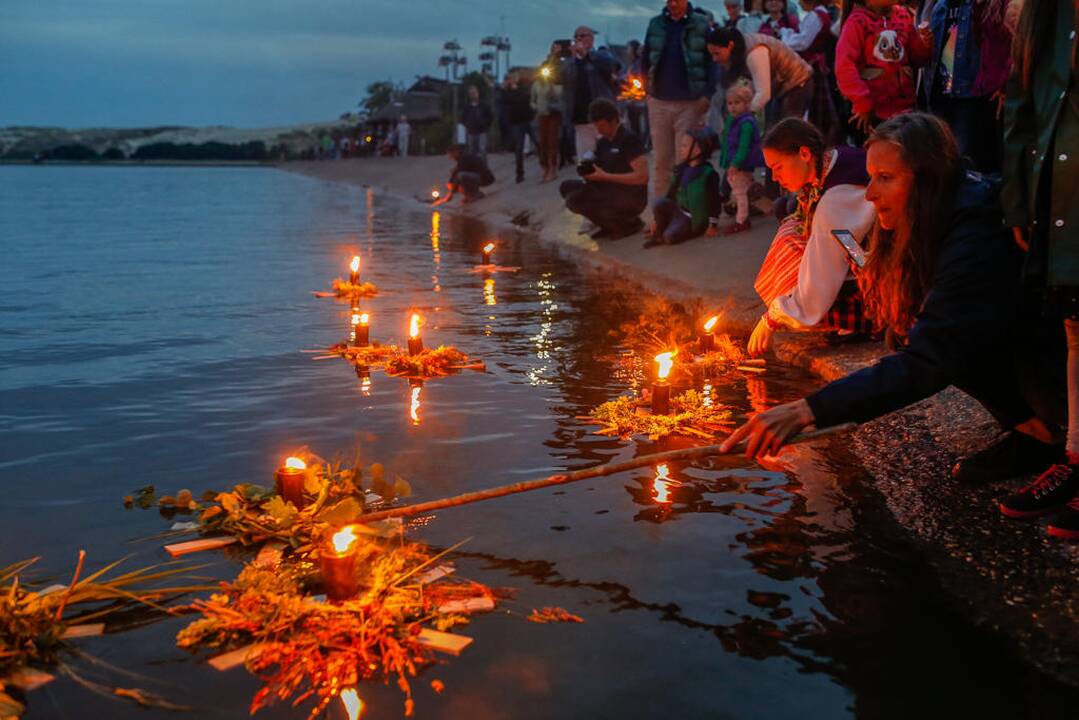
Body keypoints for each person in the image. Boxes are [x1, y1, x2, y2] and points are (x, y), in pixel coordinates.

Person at [721, 113, 1064, 494]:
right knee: (903, 329)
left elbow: (929, 358)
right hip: (1014, 333)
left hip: (1056, 358)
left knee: (926, 339)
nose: (868, 194)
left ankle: (1048, 430)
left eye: (884, 178)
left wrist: (808, 409)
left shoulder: (975, 234)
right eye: (870, 177)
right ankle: (1031, 428)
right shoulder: (938, 205)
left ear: (926, 178)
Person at [998, 0, 1079, 538]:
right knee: (1075, 326)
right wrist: (1020, 198)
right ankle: (1076, 460)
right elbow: (1022, 102)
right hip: (1062, 193)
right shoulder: (1045, 14)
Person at [748, 117, 875, 356]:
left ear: (804, 154)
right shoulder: (829, 163)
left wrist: (773, 317)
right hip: (863, 253)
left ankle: (866, 316)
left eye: (778, 167)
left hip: (882, 270)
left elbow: (825, 267)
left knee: (805, 253)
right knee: (793, 233)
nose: (775, 178)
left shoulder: (836, 198)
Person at [707, 26, 813, 198]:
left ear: (730, 46)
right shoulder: (739, 54)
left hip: (797, 84)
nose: (714, 59)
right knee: (773, 138)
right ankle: (773, 193)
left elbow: (763, 94)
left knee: (781, 140)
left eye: (717, 53)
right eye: (711, 54)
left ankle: (784, 193)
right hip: (781, 89)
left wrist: (743, 115)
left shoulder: (754, 53)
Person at [921, 0, 1013, 173]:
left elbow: (998, 46)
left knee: (966, 159)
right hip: (938, 93)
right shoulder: (940, 6)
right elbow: (930, 53)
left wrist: (1002, 82)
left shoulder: (979, 7)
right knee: (939, 158)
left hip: (969, 95)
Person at [641, 0, 715, 199]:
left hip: (690, 102)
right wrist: (647, 90)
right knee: (661, 160)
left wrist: (707, 94)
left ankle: (684, 210)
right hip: (659, 101)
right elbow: (646, 57)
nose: (672, 3)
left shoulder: (701, 24)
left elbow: (711, 61)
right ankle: (660, 213)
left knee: (686, 158)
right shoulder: (656, 24)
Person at [835, 0, 934, 142]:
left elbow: (917, 58)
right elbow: (844, 66)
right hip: (873, 114)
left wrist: (925, 44)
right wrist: (862, 101)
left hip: (905, 110)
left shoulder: (903, 16)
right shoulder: (857, 22)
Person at [559, 98, 649, 240]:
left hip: (629, 194)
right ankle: (607, 225)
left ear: (613, 120)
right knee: (567, 188)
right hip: (608, 189)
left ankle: (627, 224)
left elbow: (642, 177)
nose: (598, 130)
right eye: (596, 127)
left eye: (601, 126)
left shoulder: (628, 139)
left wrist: (605, 176)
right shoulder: (603, 142)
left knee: (575, 200)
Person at [645, 126, 723, 247]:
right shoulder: (682, 170)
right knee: (658, 202)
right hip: (679, 211)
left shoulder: (708, 174)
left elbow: (715, 202)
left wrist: (712, 225)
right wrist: (657, 220)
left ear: (698, 150)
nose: (680, 149)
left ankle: (678, 231)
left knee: (670, 237)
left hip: (693, 219)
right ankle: (660, 231)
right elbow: (670, 195)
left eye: (685, 146)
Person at [780, 0, 842, 144]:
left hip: (813, 67)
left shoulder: (816, 15)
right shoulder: (816, 14)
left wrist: (785, 34)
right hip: (813, 65)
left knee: (813, 108)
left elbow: (803, 42)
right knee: (812, 108)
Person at [561, 26, 618, 160]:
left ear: (591, 38)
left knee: (609, 160)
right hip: (581, 120)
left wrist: (587, 54)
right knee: (586, 162)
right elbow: (557, 77)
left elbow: (612, 65)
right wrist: (555, 57)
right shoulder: (571, 62)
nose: (578, 39)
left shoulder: (601, 55)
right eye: (576, 37)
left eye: (582, 36)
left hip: (602, 117)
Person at [718, 84, 765, 234]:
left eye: (737, 103)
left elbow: (743, 147)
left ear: (746, 103)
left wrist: (735, 163)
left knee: (740, 193)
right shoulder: (734, 120)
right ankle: (753, 209)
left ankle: (742, 220)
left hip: (740, 164)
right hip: (735, 162)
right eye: (730, 103)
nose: (732, 107)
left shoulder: (745, 123)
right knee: (741, 190)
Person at [532, 62, 564, 183]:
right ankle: (545, 167)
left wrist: (550, 84)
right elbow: (532, 100)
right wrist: (536, 107)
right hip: (542, 115)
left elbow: (558, 96)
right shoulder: (536, 85)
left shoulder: (557, 84)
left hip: (553, 115)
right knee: (542, 142)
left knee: (552, 142)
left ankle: (552, 168)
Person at [503, 72, 538, 183]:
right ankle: (519, 173)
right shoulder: (507, 92)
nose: (513, 79)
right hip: (517, 122)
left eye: (515, 77)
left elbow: (527, 97)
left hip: (528, 119)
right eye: (511, 78)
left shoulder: (523, 88)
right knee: (519, 148)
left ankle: (547, 165)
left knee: (538, 142)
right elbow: (507, 101)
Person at [461, 85, 494, 158]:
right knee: (471, 152)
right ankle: (474, 168)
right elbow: (463, 119)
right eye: (471, 93)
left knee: (482, 151)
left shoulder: (484, 106)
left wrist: (485, 125)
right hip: (471, 132)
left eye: (474, 93)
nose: (473, 95)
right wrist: (468, 125)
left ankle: (483, 168)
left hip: (482, 132)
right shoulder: (467, 107)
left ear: (478, 93)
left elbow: (490, 117)